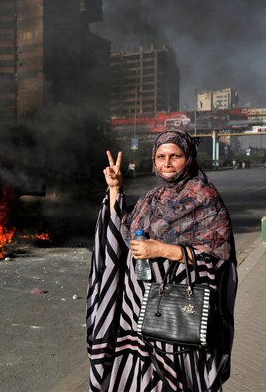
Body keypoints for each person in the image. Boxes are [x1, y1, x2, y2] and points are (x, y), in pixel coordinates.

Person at [86, 130, 237, 391]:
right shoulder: (150, 199)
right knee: (139, 376)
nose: (167, 162)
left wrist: (162, 250)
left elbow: (217, 259)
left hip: (178, 315)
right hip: (138, 309)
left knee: (180, 377)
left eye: (175, 156)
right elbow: (122, 230)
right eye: (160, 156)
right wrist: (115, 189)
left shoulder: (205, 199)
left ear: (188, 158)